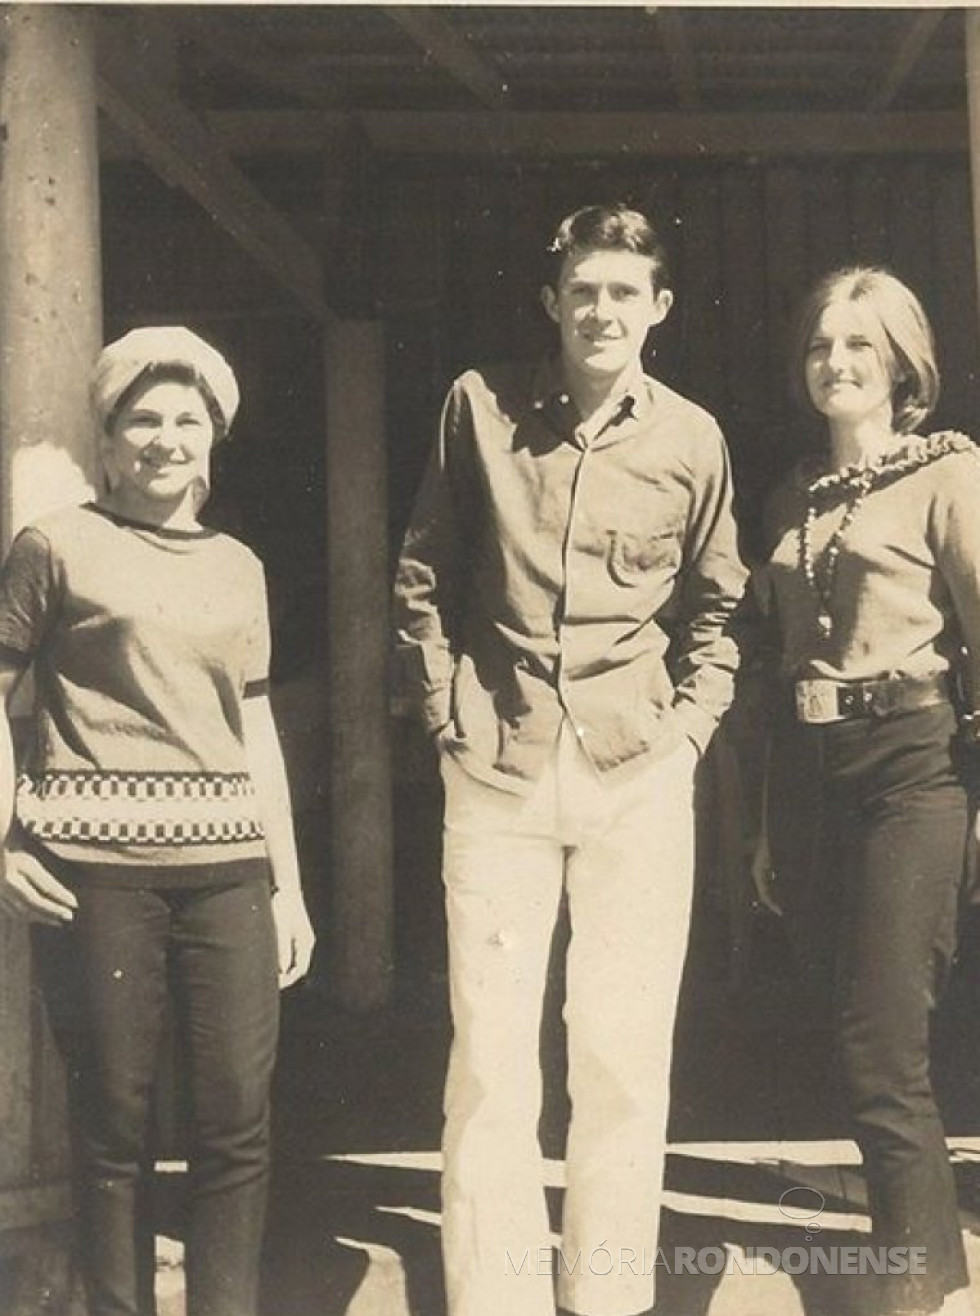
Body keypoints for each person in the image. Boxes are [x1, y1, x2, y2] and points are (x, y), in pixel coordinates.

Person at [392, 203, 747, 1316]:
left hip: (634, 771)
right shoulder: (479, 407)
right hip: (496, 761)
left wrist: (684, 735)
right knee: (492, 1057)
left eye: (622, 293)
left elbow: (718, 609)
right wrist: (445, 715)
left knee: (620, 1055)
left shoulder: (691, 438)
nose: (600, 311)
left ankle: (603, 1297)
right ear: (551, 301)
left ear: (658, 309)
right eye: (581, 290)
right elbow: (421, 576)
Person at [0, 326, 316, 1316]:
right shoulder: (55, 546)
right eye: (143, 417)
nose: (164, 437)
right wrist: (3, 841)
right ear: (107, 437)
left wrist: (287, 885)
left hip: (227, 870)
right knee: (114, 1123)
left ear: (212, 440)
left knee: (236, 1121)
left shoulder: (239, 565)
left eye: (187, 419)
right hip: (97, 874)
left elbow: (253, 722)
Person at [752, 267, 980, 1316]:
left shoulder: (945, 476)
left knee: (882, 1043)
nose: (835, 363)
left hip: (909, 768)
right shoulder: (789, 493)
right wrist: (765, 821)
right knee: (846, 1037)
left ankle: (915, 1289)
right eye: (819, 346)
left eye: (858, 346)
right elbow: (776, 666)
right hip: (809, 781)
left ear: (900, 365)